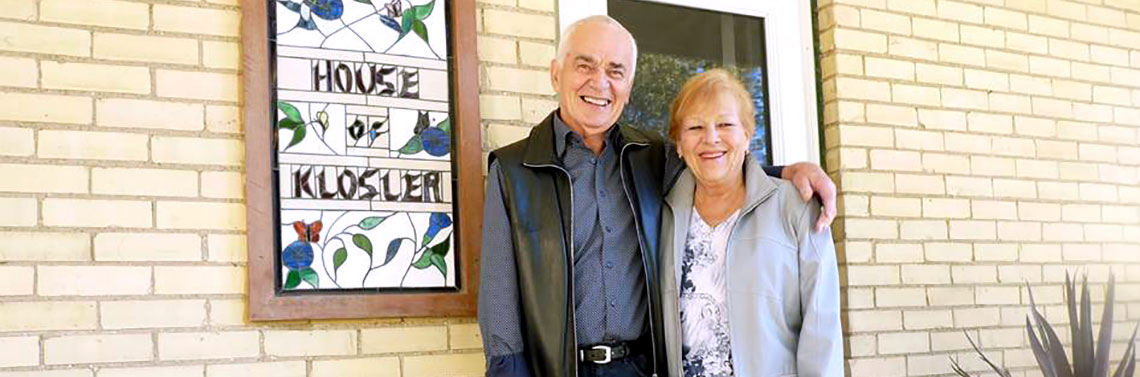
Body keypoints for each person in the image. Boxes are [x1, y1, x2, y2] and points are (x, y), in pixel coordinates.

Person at [477, 16, 837, 377]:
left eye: (615, 71)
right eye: (584, 65)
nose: (600, 82)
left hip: (640, 368)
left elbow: (715, 164)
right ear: (556, 73)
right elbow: (499, 309)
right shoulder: (512, 171)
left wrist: (788, 173)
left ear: (628, 86)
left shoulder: (651, 155)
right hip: (558, 370)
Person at [658, 69, 843, 377]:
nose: (711, 138)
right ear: (678, 144)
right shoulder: (663, 215)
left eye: (725, 124)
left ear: (748, 134)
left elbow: (821, 328)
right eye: (695, 127)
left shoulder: (795, 207)